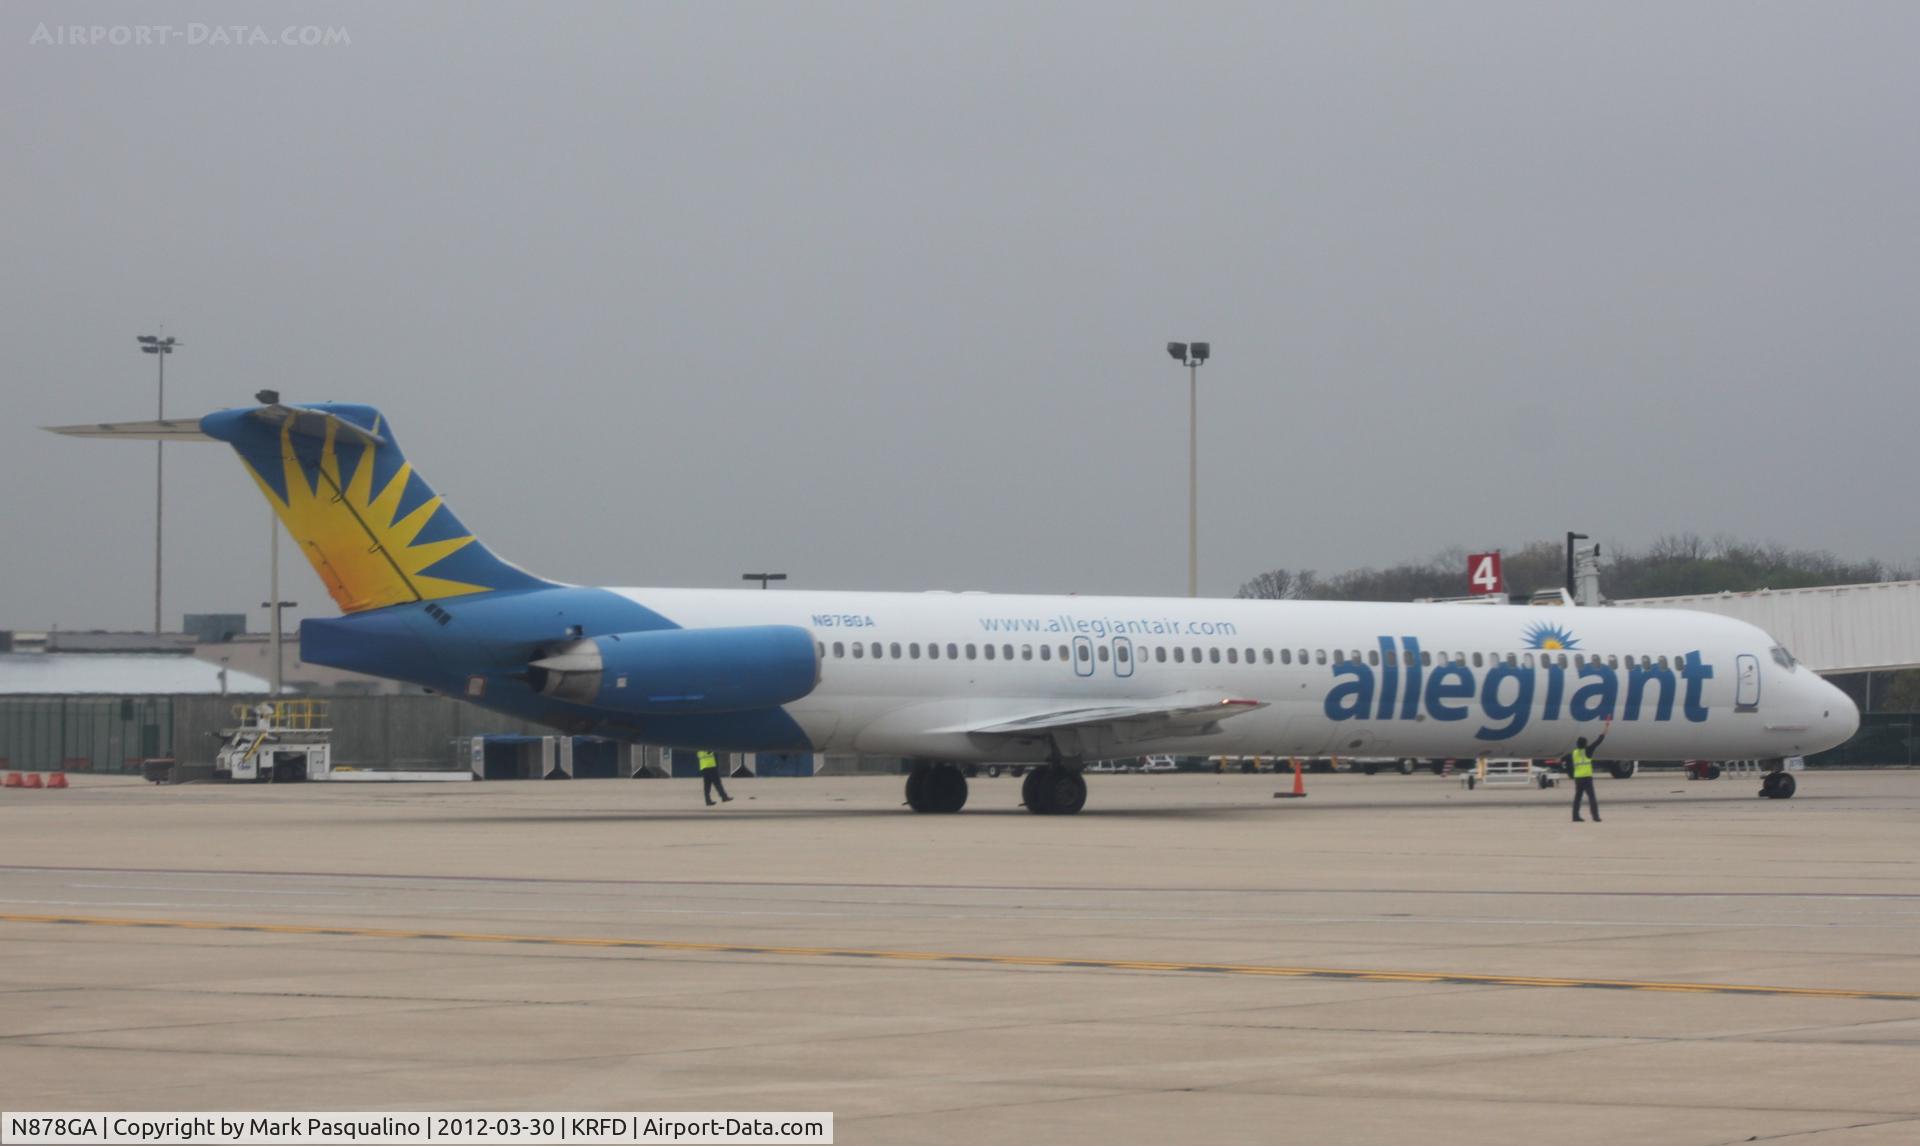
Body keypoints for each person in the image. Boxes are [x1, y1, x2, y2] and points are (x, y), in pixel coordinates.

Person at [1568, 716, 1611, 823]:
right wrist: (1606, 727)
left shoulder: (1574, 753)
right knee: (1592, 798)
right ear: (1585, 744)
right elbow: (1599, 740)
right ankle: (1595, 816)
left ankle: (1575, 816)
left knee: (1577, 798)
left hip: (1578, 778)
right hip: (1587, 778)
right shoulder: (1588, 751)